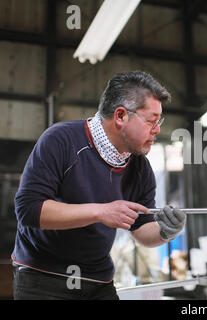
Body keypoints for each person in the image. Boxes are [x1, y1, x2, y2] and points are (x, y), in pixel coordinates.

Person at [11, 71, 186, 300]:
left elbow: (141, 229)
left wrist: (165, 231)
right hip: (42, 275)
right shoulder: (61, 140)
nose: (157, 130)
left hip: (97, 279)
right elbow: (29, 210)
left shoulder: (140, 167)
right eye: (152, 121)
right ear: (121, 116)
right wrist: (101, 211)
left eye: (159, 122)